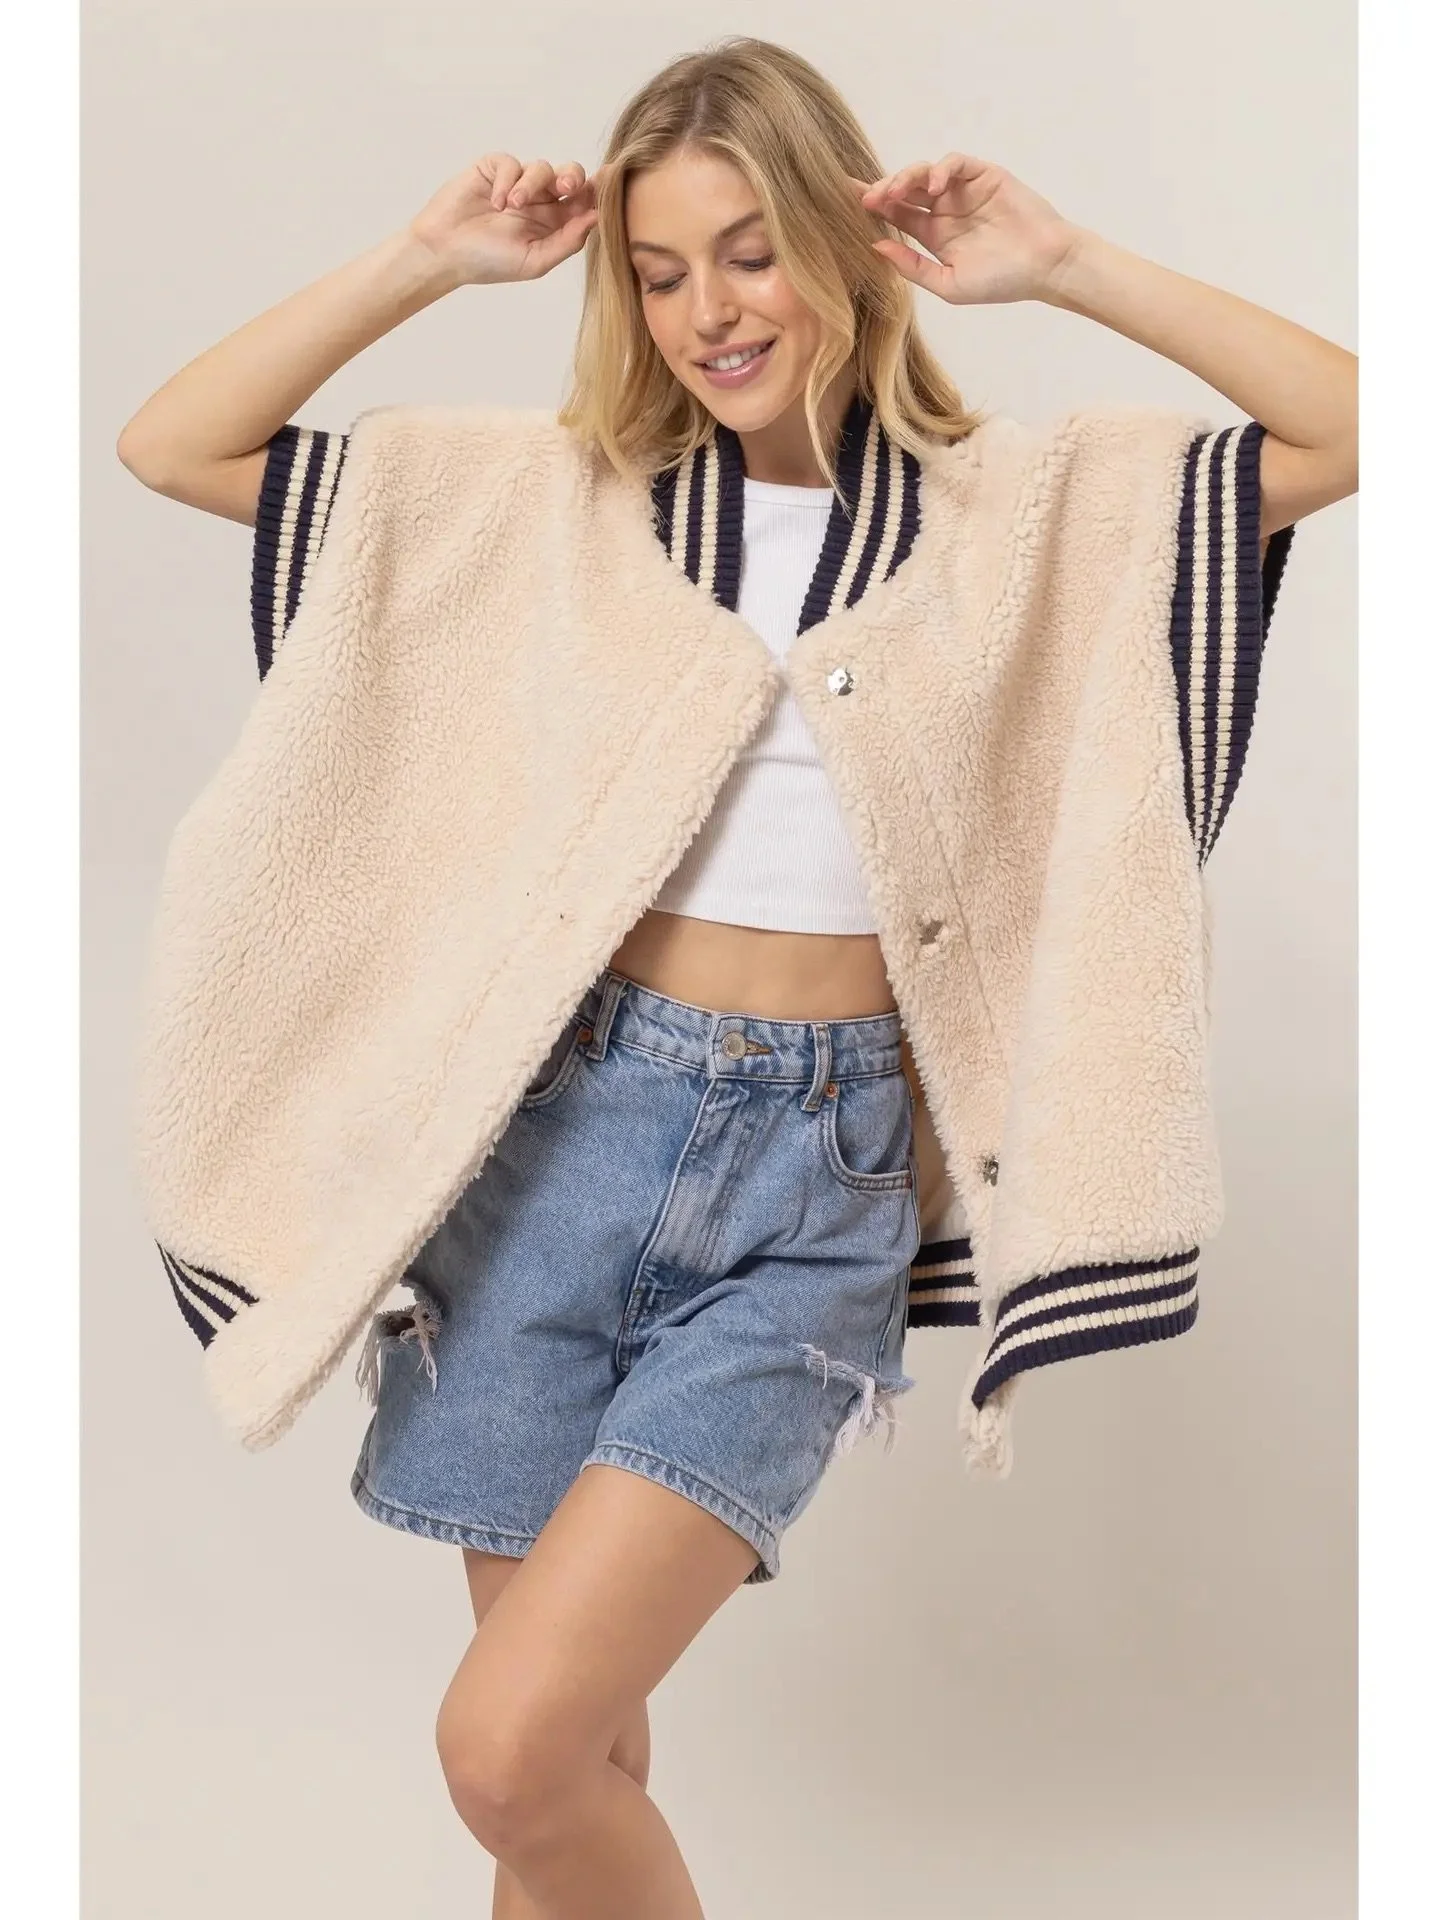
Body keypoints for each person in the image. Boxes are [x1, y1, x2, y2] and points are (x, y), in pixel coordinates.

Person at [117, 36, 1356, 1920]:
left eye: (752, 252)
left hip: (814, 1187)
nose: (709, 310)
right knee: (569, 1777)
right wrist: (426, 260)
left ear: (849, 247)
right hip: (549, 1155)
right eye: (660, 271)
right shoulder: (547, 501)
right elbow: (173, 445)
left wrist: (1071, 265)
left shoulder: (1026, 511)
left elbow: (1364, 426)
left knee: (507, 1748)